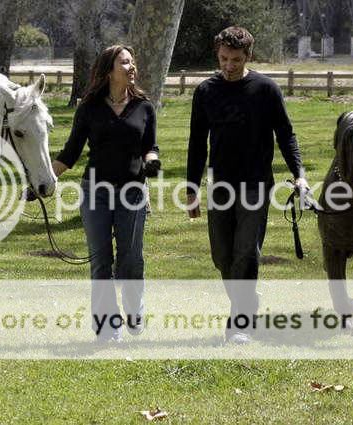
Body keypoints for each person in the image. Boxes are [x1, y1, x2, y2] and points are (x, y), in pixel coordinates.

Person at [185, 26, 308, 344]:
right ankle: (247, 303)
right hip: (220, 186)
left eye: (236, 60)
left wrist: (299, 173)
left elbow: (285, 134)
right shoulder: (206, 92)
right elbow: (197, 143)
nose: (228, 66)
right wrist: (191, 187)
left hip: (255, 185)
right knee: (222, 256)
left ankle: (240, 322)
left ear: (248, 57)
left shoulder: (265, 90)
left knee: (246, 252)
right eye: (224, 59)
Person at [52, 45, 160, 343]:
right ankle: (107, 327)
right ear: (109, 70)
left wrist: (152, 162)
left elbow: (150, 146)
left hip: (133, 192)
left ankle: (134, 310)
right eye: (123, 62)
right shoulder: (89, 107)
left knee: (130, 259)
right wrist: (43, 181)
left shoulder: (144, 106)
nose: (130, 67)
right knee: (101, 259)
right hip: (95, 192)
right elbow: (71, 152)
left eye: (131, 62)